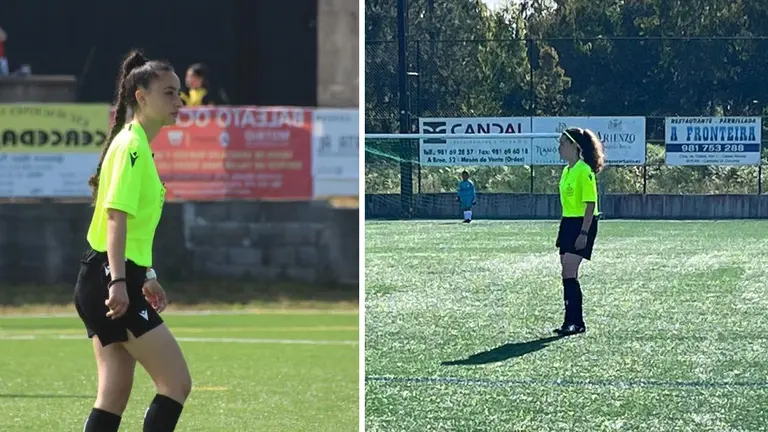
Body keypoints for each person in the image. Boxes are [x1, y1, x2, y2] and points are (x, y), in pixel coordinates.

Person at [75, 49, 191, 432]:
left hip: (107, 276)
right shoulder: (132, 146)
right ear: (141, 96)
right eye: (169, 93)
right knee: (176, 383)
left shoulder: (137, 143)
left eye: (179, 93)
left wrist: (147, 274)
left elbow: (135, 229)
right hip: (110, 279)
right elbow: (115, 217)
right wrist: (121, 282)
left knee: (112, 396)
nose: (179, 101)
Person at [553, 127, 604, 336]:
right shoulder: (567, 170)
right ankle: (571, 321)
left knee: (569, 270)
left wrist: (584, 233)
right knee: (567, 272)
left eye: (563, 143)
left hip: (583, 224)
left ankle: (576, 321)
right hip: (568, 223)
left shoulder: (584, 171)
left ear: (574, 146)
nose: (559, 148)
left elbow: (590, 204)